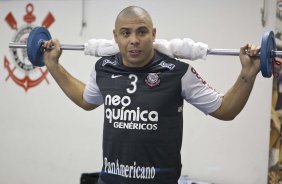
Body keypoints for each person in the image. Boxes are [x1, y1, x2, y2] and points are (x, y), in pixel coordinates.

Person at [42, 6, 260, 184]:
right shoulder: (103, 68)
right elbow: (85, 100)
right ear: (116, 37)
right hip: (110, 179)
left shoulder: (178, 72)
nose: (134, 40)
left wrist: (247, 74)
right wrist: (53, 65)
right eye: (126, 33)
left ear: (153, 34)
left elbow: (225, 110)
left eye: (142, 32)